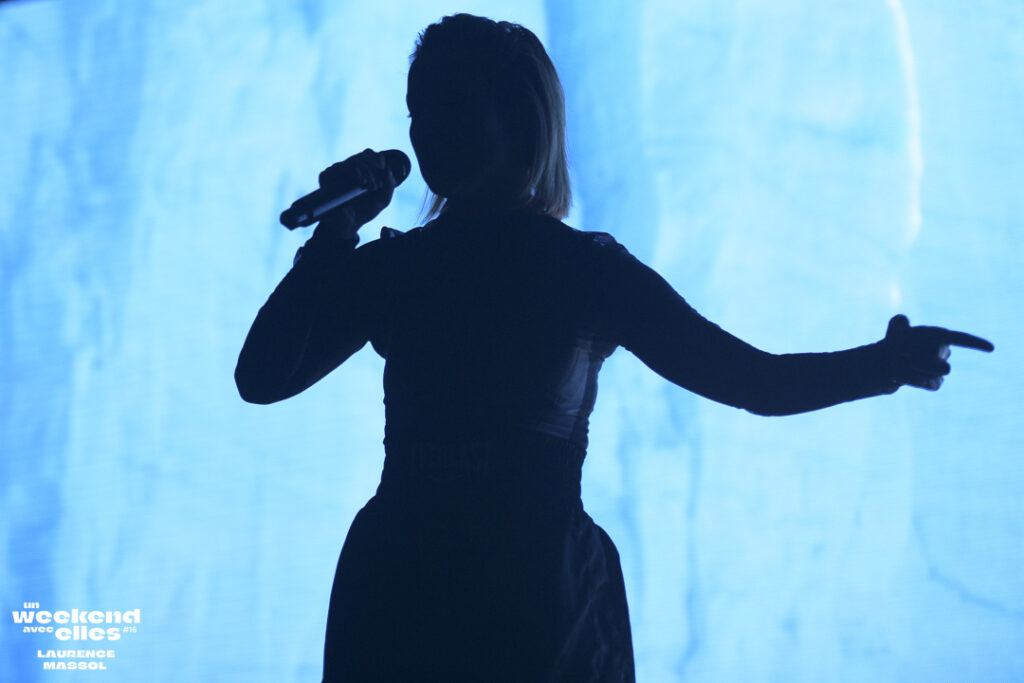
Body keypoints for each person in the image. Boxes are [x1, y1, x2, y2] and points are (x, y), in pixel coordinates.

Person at [234, 13, 994, 683]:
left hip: (502, 606)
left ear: (520, 119)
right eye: (419, 109)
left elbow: (749, 379)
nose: (428, 129)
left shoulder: (574, 272)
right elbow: (261, 377)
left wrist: (882, 366)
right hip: (445, 598)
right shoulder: (408, 268)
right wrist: (333, 237)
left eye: (452, 104)